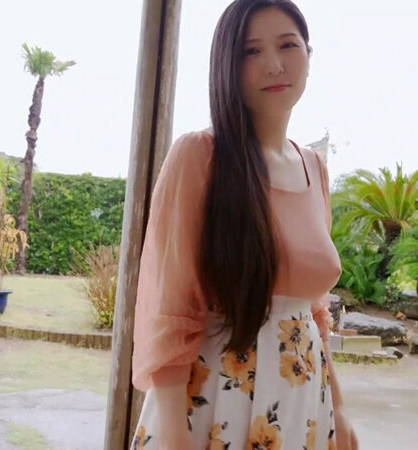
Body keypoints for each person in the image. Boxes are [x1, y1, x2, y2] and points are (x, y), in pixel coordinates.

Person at [131, 1, 358, 448]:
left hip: (303, 400)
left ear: (308, 54)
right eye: (251, 51)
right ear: (227, 66)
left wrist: (339, 406)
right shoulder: (201, 156)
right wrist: (174, 436)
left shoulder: (314, 167)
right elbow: (171, 308)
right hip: (218, 401)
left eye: (287, 45)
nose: (273, 64)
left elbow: (313, 310)